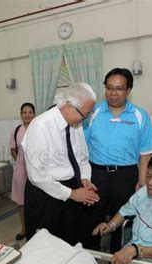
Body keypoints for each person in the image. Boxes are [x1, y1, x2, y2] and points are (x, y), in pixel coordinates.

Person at [84, 68, 152, 253]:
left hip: (126, 176)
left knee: (123, 223)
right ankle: (88, 263)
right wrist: (84, 179)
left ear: (128, 90)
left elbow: (145, 154)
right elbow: (81, 150)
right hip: (97, 175)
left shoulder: (140, 116)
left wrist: (141, 182)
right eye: (109, 88)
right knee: (90, 221)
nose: (113, 93)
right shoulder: (92, 114)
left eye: (119, 88)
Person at [21, 82, 100, 248]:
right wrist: (72, 194)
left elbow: (82, 157)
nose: (86, 118)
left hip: (71, 190)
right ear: (69, 107)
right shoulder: (41, 126)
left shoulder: (75, 125)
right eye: (85, 114)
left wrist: (84, 178)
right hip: (46, 194)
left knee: (69, 242)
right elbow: (37, 176)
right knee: (46, 247)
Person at [9, 102, 35, 241]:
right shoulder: (17, 130)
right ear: (21, 114)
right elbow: (13, 149)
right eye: (24, 112)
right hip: (20, 170)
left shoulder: (38, 128)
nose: (27, 115)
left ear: (34, 114)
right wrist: (20, 161)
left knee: (37, 199)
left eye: (30, 112)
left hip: (36, 169)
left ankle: (37, 227)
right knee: (21, 201)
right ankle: (24, 228)